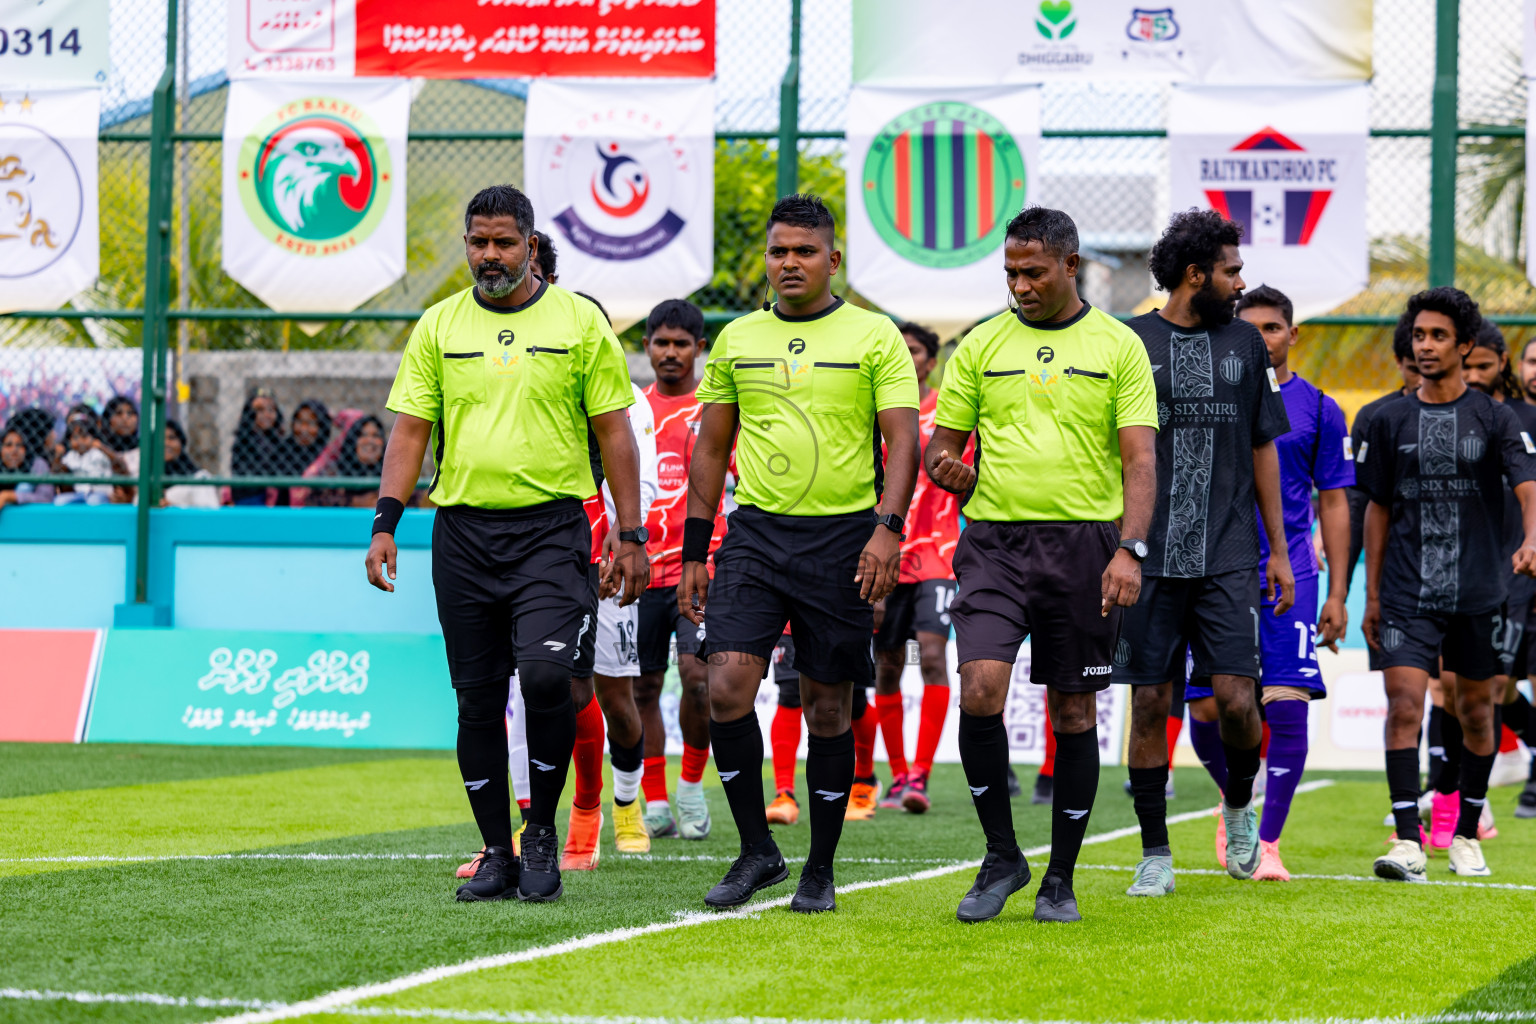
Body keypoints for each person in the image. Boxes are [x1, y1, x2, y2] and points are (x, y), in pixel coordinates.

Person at [365, 184, 648, 904]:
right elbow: (409, 432)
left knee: (550, 680)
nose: (489, 255)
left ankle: (542, 832)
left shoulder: (581, 323)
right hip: (462, 533)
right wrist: (385, 523)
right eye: (477, 242)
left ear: (529, 245)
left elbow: (615, 431)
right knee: (476, 701)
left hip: (551, 532)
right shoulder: (437, 326)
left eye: (503, 242)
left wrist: (631, 530)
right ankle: (496, 850)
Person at [681, 193, 920, 913]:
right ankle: (757, 850)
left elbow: (903, 441)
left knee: (826, 706)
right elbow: (712, 447)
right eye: (779, 251)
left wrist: (888, 526)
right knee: (722, 686)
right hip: (754, 534)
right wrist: (697, 546)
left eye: (804, 251)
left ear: (832, 259)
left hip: (844, 538)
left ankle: (819, 866)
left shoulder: (875, 337)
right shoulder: (736, 339)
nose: (790, 262)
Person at [924, 207, 1156, 923]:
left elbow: (1141, 458)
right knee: (980, 689)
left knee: (1073, 707)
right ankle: (1003, 857)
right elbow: (942, 449)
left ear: (1069, 264)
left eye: (1032, 272)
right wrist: (947, 470)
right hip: (994, 544)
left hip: (1087, 548)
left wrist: (1130, 548)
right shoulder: (979, 346)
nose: (1020, 285)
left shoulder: (1118, 345)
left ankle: (1060, 877)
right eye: (1010, 273)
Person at [1117, 209, 1293, 897]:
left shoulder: (1247, 346)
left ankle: (1239, 805)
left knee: (1237, 701)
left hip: (1226, 554)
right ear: (1197, 275)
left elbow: (1262, 448)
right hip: (1147, 555)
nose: (1240, 282)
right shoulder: (1129, 343)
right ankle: (1155, 853)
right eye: (1231, 270)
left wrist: (1278, 550)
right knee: (1148, 702)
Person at [1363, 287, 1536, 882]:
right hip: (1408, 591)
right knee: (1404, 704)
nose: (1426, 346)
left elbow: (1526, 484)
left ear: (1465, 345)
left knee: (1477, 713)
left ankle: (1465, 832)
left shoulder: (1494, 416)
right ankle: (1409, 841)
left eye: (1439, 336)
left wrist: (1531, 538)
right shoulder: (1388, 419)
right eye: (1419, 336)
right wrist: (1372, 593)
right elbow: (1377, 508)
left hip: (1478, 590)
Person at [1215, 284, 1354, 880]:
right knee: (1211, 713)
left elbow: (1335, 502)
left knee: (1288, 710)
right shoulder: (1213, 396)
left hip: (1289, 574)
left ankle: (1267, 843)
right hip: (1216, 570)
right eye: (1251, 328)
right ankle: (1237, 805)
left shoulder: (1321, 409)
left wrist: (1341, 592)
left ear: (1292, 334)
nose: (1263, 339)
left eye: (1273, 328)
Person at [564, 293, 660, 868]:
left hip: (608, 556)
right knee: (557, 691)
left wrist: (623, 540)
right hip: (553, 553)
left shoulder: (629, 399)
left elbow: (637, 477)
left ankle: (628, 806)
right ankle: (576, 814)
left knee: (615, 696)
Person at [872, 321, 970, 813]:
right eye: (901, 352)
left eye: (915, 351)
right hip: (886, 554)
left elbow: (966, 478)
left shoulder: (949, 416)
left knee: (932, 657)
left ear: (931, 361)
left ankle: (920, 778)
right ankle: (895, 776)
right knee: (886, 667)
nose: (908, 359)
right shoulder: (878, 413)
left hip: (938, 555)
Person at [633, 298, 721, 841]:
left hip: (699, 570)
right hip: (640, 570)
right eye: (661, 343)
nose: (670, 353)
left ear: (699, 349)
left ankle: (691, 787)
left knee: (698, 681)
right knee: (642, 687)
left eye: (680, 344)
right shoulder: (630, 410)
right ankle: (657, 798)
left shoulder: (714, 410)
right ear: (646, 346)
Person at [1347, 315, 1421, 589]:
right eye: (1415, 368)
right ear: (1398, 362)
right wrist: (1339, 591)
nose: (1423, 378)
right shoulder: (1374, 417)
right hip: (1395, 572)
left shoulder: (1479, 414)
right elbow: (1358, 503)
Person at [231, 389, 285, 505]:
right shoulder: (244, 441)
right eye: (260, 410)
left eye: (271, 410)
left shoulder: (277, 440)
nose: (267, 415)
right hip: (251, 496)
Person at [318, 416, 387, 508]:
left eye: (375, 436)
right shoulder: (333, 472)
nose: (370, 440)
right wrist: (353, 502)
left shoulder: (392, 473)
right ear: (353, 441)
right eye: (363, 435)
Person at [54, 416, 115, 505]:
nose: (80, 441)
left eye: (84, 437)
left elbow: (114, 463)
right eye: (75, 437)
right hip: (79, 493)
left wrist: (102, 448)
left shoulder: (98, 453)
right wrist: (58, 457)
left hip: (99, 492)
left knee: (93, 501)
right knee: (59, 501)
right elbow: (59, 469)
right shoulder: (71, 456)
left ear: (93, 438)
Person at [0, 422, 54, 505]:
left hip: (31, 517)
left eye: (19, 445)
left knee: (24, 487)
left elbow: (46, 498)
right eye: (8, 445)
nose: (14, 450)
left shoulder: (37, 464)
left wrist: (9, 496)